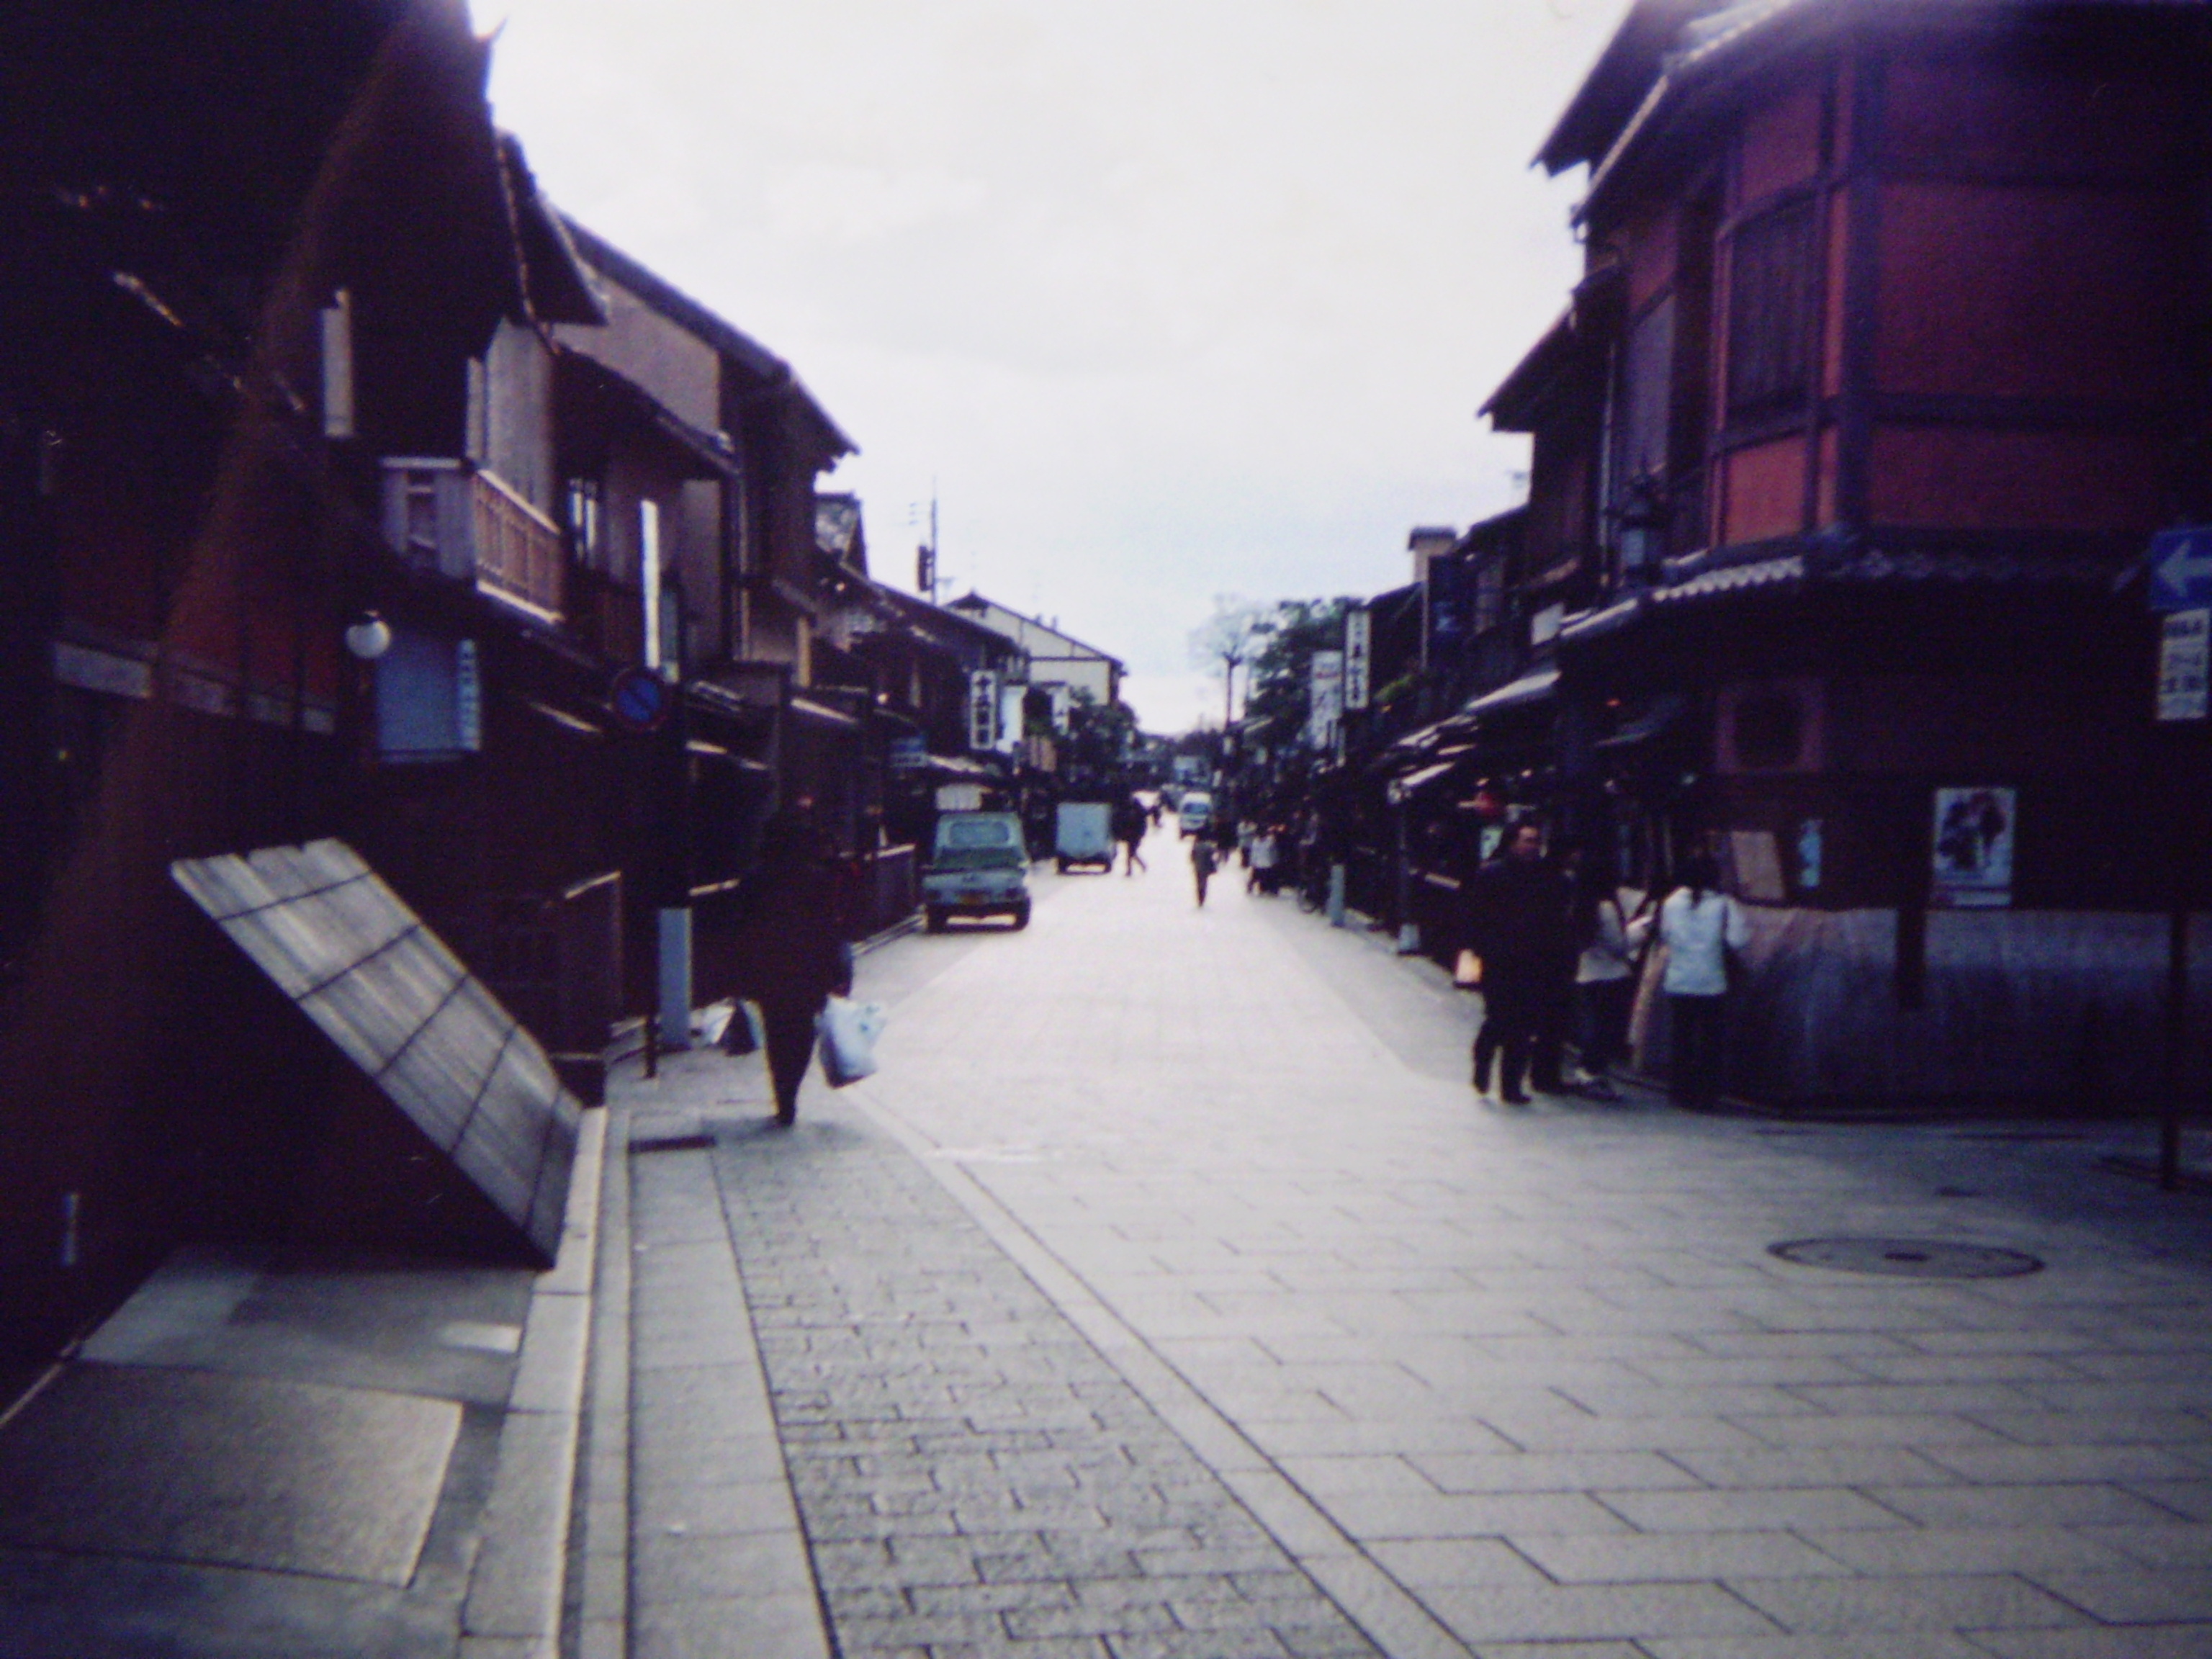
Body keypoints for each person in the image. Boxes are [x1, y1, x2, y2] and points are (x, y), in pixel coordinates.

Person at [727, 808, 851, 1125]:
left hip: (768, 968)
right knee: (801, 1032)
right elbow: (829, 929)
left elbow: (739, 929)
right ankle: (791, 1091)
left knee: (776, 1031)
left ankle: (782, 1092)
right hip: (809, 969)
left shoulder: (754, 879)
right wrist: (838, 973)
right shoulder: (817, 879)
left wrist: (738, 973)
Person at [1461, 821, 1572, 1105]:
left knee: (1523, 1025)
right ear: (1512, 842)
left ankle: (1511, 1086)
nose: (1532, 846)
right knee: (1499, 1017)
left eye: (1536, 841)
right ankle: (1484, 1057)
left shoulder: (1547, 878)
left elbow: (1554, 920)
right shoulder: (1492, 874)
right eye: (1526, 840)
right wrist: (1482, 949)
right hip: (1499, 960)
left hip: (1533, 961)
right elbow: (1476, 915)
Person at [1648, 851, 1748, 1108]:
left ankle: (1680, 1092)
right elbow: (1739, 940)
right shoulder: (1725, 904)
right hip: (1712, 981)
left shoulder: (1670, 902)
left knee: (1681, 1038)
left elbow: (1665, 936)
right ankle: (1706, 1095)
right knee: (1710, 1041)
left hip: (1679, 980)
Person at [1570, 860, 1650, 1102]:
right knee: (1606, 1030)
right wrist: (1643, 929)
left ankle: (1586, 1073)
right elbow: (1619, 946)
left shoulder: (1581, 905)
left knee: (1593, 1028)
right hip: (1610, 976)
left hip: (1586, 973)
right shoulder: (1605, 907)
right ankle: (1592, 1073)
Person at [1113, 793, 1148, 875]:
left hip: (1135, 835)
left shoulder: (1137, 811)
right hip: (1131, 835)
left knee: (1131, 853)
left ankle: (1138, 867)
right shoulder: (1132, 809)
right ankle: (1132, 869)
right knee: (1130, 853)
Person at [1248, 825, 1280, 894]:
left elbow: (1274, 853)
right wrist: (1252, 862)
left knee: (1269, 878)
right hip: (1258, 864)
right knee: (1255, 878)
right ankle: (1252, 888)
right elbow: (1253, 853)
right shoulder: (1255, 842)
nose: (1260, 835)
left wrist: (1275, 861)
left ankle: (1272, 889)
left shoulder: (1270, 841)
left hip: (1268, 864)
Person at [1191, 829, 1218, 908]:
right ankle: (1202, 897)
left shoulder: (1196, 846)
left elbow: (1192, 857)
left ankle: (1199, 897)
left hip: (1198, 867)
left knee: (1198, 883)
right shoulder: (1208, 846)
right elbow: (1213, 853)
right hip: (1206, 867)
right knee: (1204, 883)